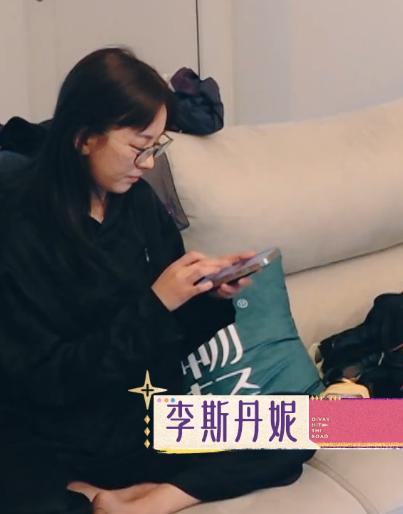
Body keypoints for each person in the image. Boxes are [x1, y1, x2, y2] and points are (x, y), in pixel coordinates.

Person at [0, 48, 312, 514]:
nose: (147, 163)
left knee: (307, 426)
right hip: (63, 433)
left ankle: (148, 500)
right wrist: (156, 303)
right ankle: (87, 491)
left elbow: (170, 336)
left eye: (156, 146)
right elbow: (49, 379)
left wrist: (209, 294)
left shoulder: (138, 203)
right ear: (84, 137)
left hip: (150, 420)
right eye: (138, 146)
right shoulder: (22, 226)